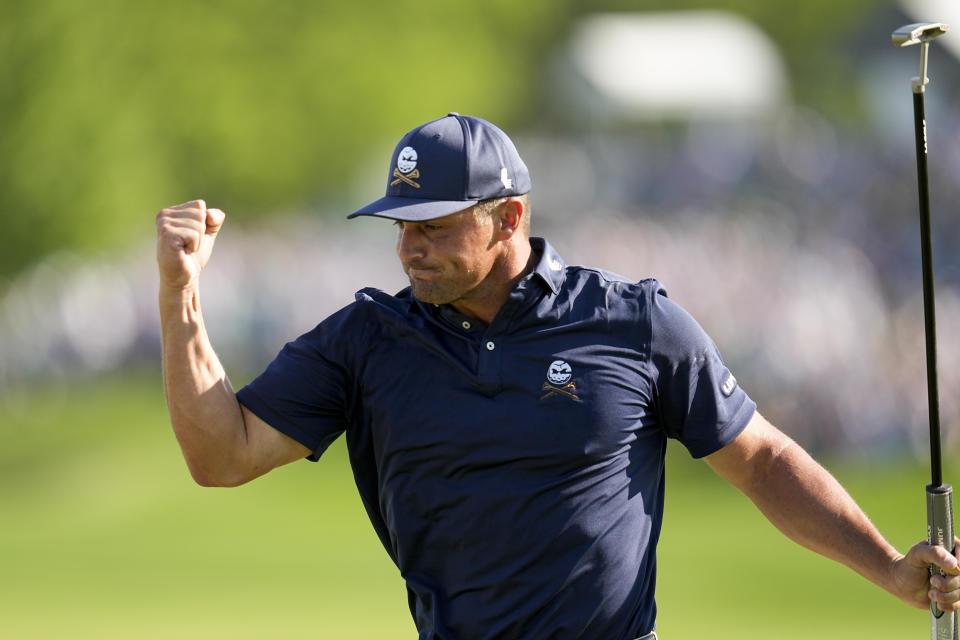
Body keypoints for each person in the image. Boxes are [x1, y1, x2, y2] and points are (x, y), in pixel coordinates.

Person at [156, 112, 960, 639]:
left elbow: (764, 461)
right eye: (400, 227)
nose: (408, 248)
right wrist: (179, 293)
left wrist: (889, 565)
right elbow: (222, 455)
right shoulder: (368, 339)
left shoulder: (633, 323)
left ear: (508, 218)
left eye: (433, 227)